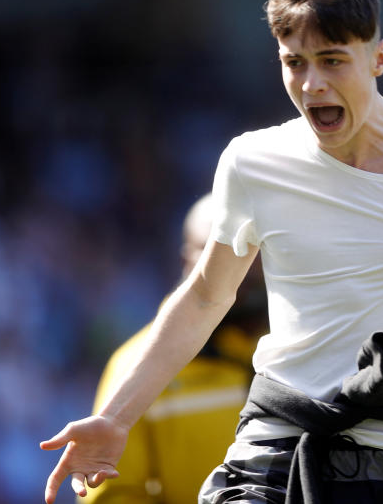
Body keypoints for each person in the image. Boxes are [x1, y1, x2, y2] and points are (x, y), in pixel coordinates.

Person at [41, 0, 383, 504]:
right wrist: (115, 418)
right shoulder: (252, 162)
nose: (310, 84)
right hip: (277, 444)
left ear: (379, 57)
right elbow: (204, 296)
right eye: (293, 63)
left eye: (332, 61)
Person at [82, 194, 267, 504]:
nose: (234, 266)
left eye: (248, 248)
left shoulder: (307, 343)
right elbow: (112, 495)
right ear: (186, 261)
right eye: (212, 251)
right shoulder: (136, 366)